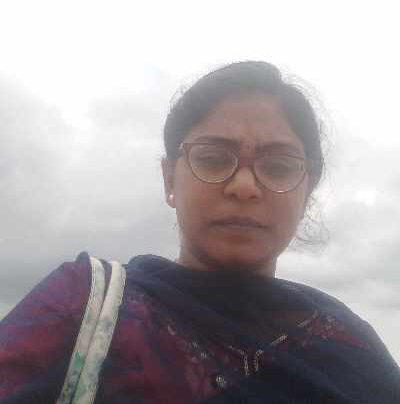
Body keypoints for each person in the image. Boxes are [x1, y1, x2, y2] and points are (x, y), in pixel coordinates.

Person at [1, 60, 399, 403]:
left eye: (278, 166)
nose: (244, 186)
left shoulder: (347, 346)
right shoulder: (81, 307)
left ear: (307, 191)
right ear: (169, 179)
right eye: (212, 158)